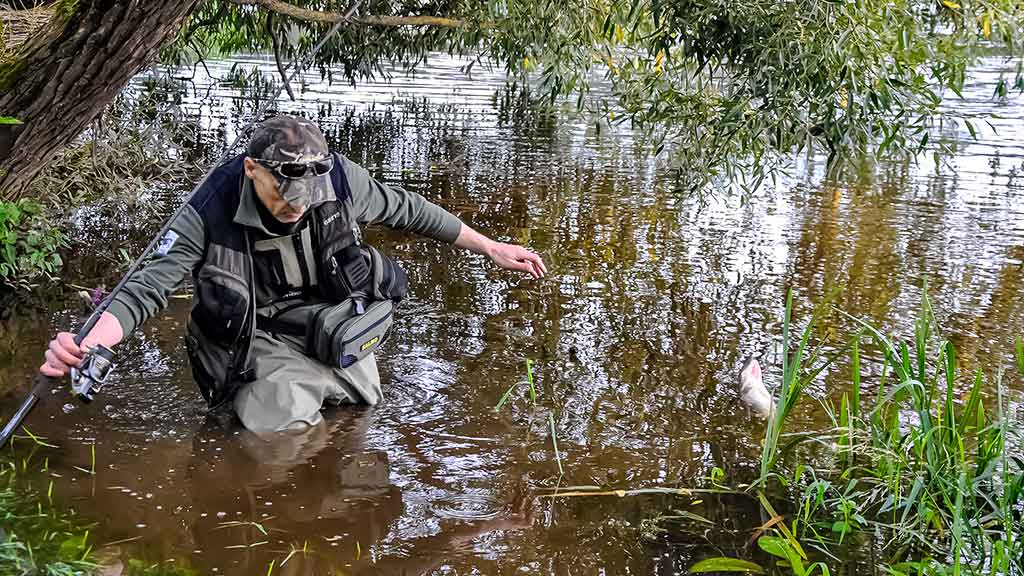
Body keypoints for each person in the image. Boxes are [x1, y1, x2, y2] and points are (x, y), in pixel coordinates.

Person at [40, 114, 547, 432]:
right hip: (254, 333)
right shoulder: (209, 209)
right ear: (251, 170)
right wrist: (87, 344)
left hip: (326, 320)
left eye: (306, 196)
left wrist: (490, 246)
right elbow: (144, 289)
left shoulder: (339, 178)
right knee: (280, 431)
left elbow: (408, 209)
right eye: (283, 194)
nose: (296, 205)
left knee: (361, 410)